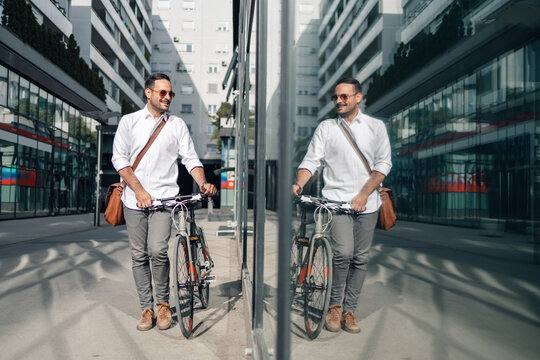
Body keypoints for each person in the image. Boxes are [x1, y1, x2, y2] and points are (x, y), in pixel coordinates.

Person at [112, 73, 217, 331]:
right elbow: (120, 160)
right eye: (162, 92)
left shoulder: (177, 125)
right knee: (138, 255)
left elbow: (190, 159)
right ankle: (146, 309)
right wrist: (138, 191)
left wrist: (202, 182)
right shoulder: (129, 121)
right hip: (133, 201)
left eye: (170, 93)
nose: (168, 97)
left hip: (164, 200)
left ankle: (162, 304)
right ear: (148, 93)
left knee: (158, 251)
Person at [292, 77, 391, 333]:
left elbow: (383, 166)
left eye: (344, 96)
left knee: (360, 259)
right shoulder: (326, 128)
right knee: (343, 253)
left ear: (358, 98)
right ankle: (334, 307)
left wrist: (363, 195)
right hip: (336, 203)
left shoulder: (375, 127)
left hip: (367, 205)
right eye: (335, 97)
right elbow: (311, 160)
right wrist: (299, 183)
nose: (338, 101)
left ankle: (350, 311)